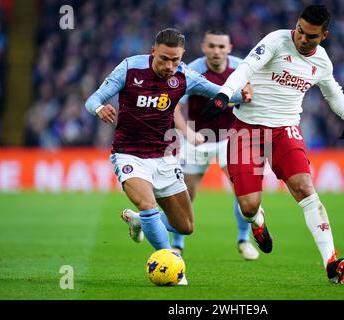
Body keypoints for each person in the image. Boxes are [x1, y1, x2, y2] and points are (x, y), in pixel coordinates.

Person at [202, 5, 344, 284]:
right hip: (246, 130)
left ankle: (331, 262)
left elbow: (332, 92)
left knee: (305, 188)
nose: (302, 38)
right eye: (300, 30)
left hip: (285, 130)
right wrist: (224, 93)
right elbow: (246, 67)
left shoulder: (322, 62)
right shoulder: (276, 40)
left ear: (324, 35)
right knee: (249, 207)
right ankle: (258, 222)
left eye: (310, 36)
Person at [84, 28, 250, 285]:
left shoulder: (185, 75)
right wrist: (98, 108)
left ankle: (138, 222)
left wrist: (243, 95)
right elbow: (93, 98)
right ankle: (171, 265)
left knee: (185, 226)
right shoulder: (130, 69)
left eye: (175, 59)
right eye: (164, 59)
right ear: (153, 52)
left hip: (164, 157)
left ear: (182, 56)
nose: (170, 65)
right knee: (149, 205)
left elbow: (218, 91)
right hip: (129, 154)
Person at [171, 29, 259, 260]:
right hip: (198, 139)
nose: (216, 51)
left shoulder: (241, 68)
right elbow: (174, 109)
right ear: (203, 47)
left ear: (229, 48)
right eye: (212, 46)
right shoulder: (191, 70)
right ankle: (178, 245)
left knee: (242, 192)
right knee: (186, 195)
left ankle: (243, 240)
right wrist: (188, 133)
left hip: (231, 139)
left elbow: (252, 97)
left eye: (221, 46)